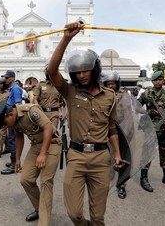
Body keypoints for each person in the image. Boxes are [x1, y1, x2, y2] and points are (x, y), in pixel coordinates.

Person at [47, 22, 124, 226]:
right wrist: (66, 38)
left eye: (85, 70)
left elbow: (111, 127)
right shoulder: (70, 92)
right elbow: (52, 70)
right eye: (77, 72)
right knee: (74, 213)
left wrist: (117, 154)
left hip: (100, 158)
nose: (81, 75)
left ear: (95, 69)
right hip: (76, 157)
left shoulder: (110, 96)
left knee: (98, 217)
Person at [0, 100, 61, 225]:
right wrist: (17, 159)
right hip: (36, 146)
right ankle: (40, 209)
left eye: (6, 123)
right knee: (26, 179)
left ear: (10, 115)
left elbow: (48, 128)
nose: (7, 126)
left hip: (51, 144)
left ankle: (43, 222)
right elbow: (19, 137)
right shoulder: (14, 120)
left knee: (45, 182)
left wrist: (43, 154)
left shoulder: (30, 111)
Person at [138, 71, 165, 193]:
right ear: (152, 81)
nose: (158, 81)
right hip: (150, 129)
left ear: (163, 81)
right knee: (147, 153)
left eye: (160, 79)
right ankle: (144, 178)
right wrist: (146, 112)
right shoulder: (146, 94)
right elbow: (136, 106)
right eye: (156, 80)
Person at [102, 71, 128, 199]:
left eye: (113, 83)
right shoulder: (101, 95)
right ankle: (107, 179)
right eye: (108, 83)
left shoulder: (124, 95)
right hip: (106, 129)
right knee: (106, 155)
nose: (111, 86)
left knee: (121, 156)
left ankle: (121, 184)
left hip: (122, 128)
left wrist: (128, 129)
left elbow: (128, 112)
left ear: (117, 84)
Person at [0, 70, 22, 175]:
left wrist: (14, 120)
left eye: (7, 78)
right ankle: (13, 161)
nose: (6, 79)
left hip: (13, 116)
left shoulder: (16, 89)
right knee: (11, 139)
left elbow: (18, 104)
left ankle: (14, 164)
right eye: (5, 78)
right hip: (10, 115)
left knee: (13, 140)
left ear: (12, 78)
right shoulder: (12, 88)